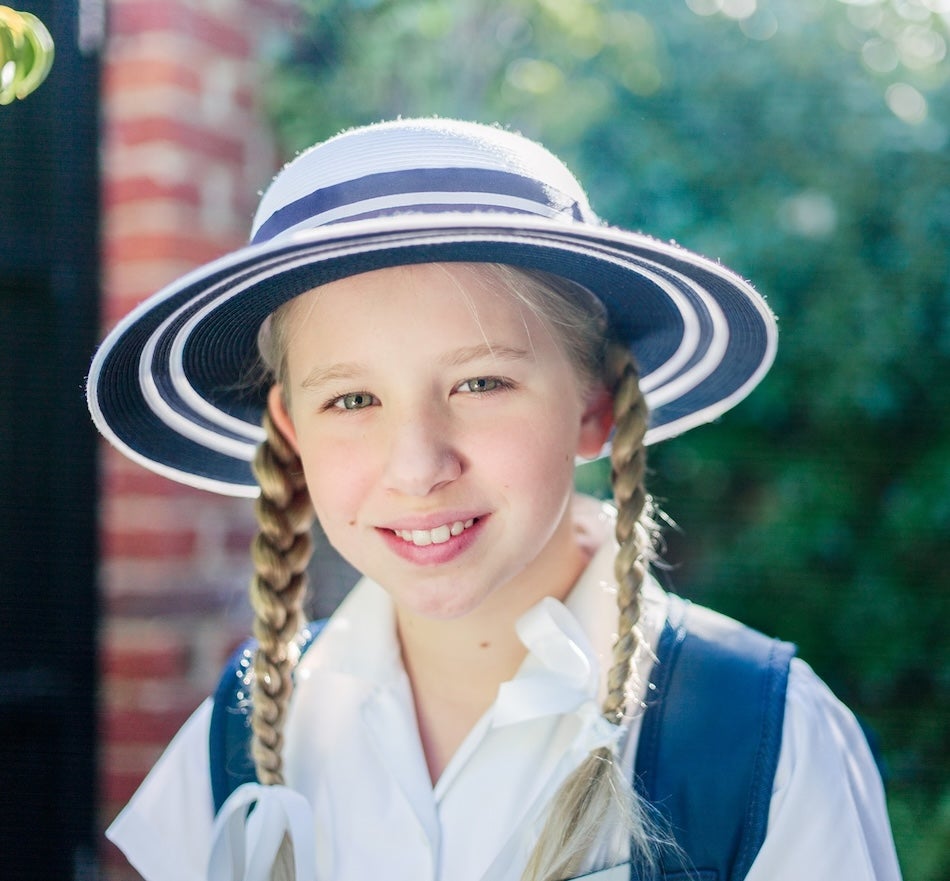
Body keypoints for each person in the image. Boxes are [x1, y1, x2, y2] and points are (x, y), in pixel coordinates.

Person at [87, 118, 901, 881]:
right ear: (292, 431)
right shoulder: (237, 739)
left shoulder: (763, 737)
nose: (416, 467)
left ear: (593, 405)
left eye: (481, 382)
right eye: (352, 401)